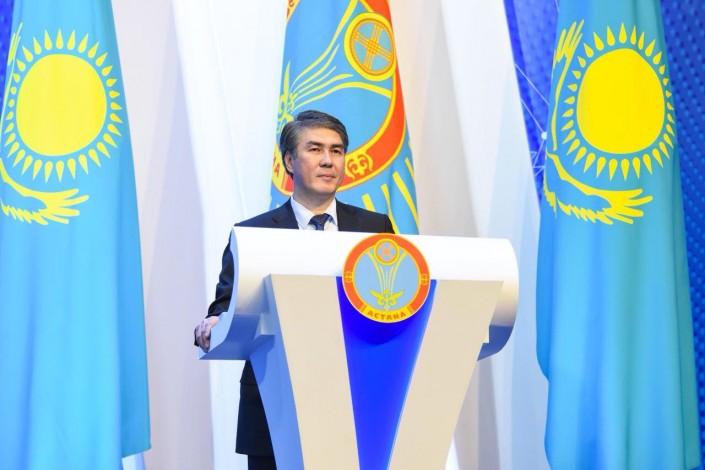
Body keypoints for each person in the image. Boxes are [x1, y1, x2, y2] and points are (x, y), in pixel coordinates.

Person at [194, 110, 394, 469]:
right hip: (275, 407)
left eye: (336, 150)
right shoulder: (253, 234)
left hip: (358, 404)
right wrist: (212, 322)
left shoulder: (375, 229)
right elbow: (224, 306)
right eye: (315, 149)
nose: (328, 161)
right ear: (289, 161)